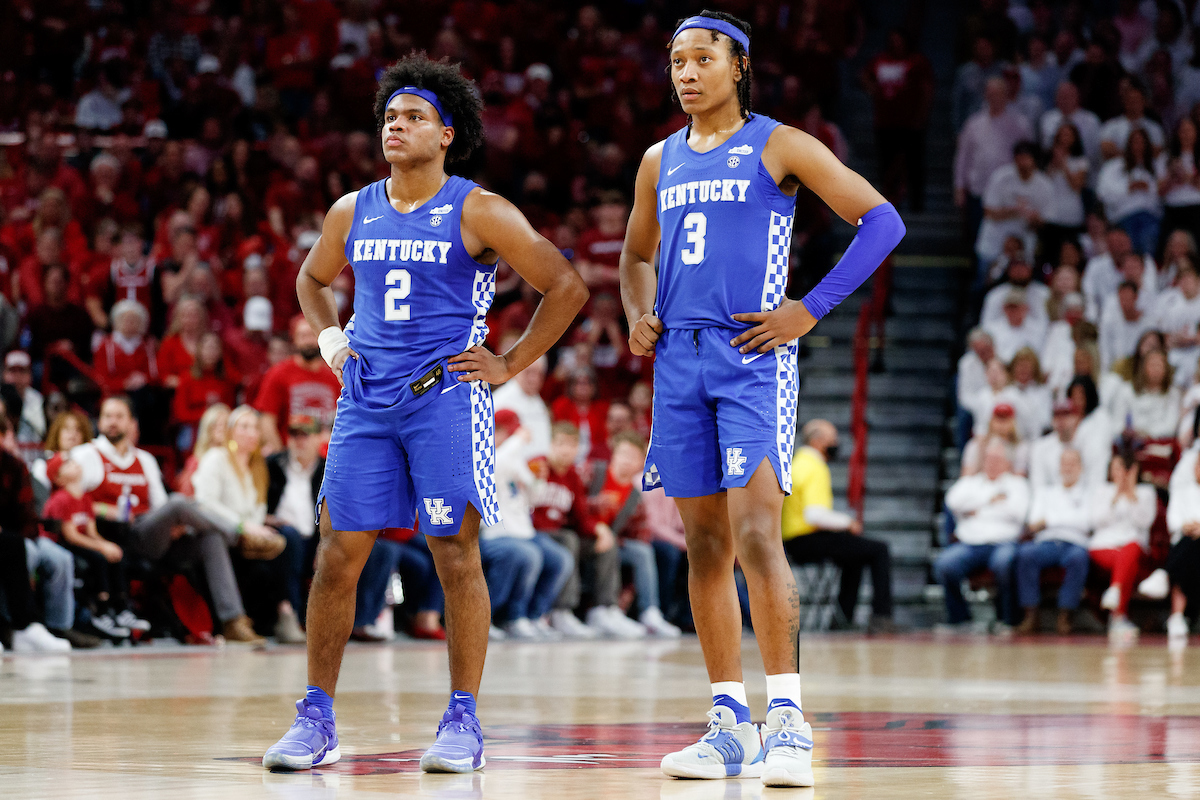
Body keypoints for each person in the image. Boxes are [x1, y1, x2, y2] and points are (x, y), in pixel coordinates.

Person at [263, 55, 587, 773]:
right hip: (365, 399)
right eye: (389, 117)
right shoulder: (352, 209)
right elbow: (312, 279)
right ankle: (315, 718)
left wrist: (510, 363)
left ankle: (463, 721)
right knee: (336, 554)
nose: (396, 127)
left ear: (447, 134)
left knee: (454, 554)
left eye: (413, 117)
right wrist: (332, 341)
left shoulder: (480, 209)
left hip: (444, 398)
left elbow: (565, 284)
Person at [619, 12, 903, 787]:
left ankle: (788, 723)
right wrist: (637, 311)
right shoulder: (657, 160)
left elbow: (882, 221)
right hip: (677, 363)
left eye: (702, 58)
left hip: (751, 359)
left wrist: (810, 308)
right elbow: (635, 255)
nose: (686, 72)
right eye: (677, 60)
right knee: (704, 545)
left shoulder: (780, 144)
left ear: (739, 65)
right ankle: (726, 726)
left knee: (755, 535)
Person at [72, 396, 267, 644]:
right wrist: (102, 509)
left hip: (150, 534)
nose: (113, 422)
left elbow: (161, 507)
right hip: (116, 535)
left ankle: (232, 621)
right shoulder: (86, 455)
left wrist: (175, 524)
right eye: (107, 416)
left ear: (132, 423)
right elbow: (67, 499)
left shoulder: (144, 459)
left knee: (210, 538)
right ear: (99, 422)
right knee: (178, 502)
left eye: (119, 416)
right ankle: (238, 531)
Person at [191, 405, 306, 644]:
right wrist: (243, 525)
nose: (251, 433)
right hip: (222, 534)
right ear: (231, 431)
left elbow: (258, 509)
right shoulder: (216, 458)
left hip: (248, 538)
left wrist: (259, 527)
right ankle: (266, 617)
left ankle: (288, 613)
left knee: (290, 538)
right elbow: (205, 503)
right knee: (266, 565)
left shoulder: (258, 467)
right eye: (244, 426)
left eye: (255, 427)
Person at [781, 420, 895, 633]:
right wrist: (848, 523)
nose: (836, 444)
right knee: (879, 550)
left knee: (855, 554)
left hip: (791, 542)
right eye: (832, 439)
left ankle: (843, 618)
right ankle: (882, 617)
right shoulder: (814, 467)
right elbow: (814, 515)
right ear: (816, 441)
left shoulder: (797, 464)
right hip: (807, 538)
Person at [478, 409, 574, 639]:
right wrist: (518, 441)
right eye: (507, 432)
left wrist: (538, 481)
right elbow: (496, 466)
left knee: (561, 559)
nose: (511, 438)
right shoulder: (484, 455)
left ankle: (533, 616)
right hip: (493, 534)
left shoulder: (514, 459)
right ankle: (494, 617)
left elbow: (531, 499)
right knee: (527, 555)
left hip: (522, 531)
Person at [530, 422, 623, 639]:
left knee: (606, 544)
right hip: (535, 533)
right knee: (569, 539)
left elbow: (581, 517)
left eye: (571, 445)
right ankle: (561, 610)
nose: (566, 450)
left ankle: (603, 609)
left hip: (560, 536)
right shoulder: (536, 466)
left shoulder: (573, 475)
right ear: (550, 444)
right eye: (561, 444)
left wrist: (600, 529)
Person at [42, 455, 150, 640]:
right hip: (63, 544)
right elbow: (71, 536)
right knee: (99, 559)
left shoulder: (85, 497)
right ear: (58, 478)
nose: (74, 463)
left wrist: (106, 545)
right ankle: (101, 611)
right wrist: (101, 549)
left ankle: (121, 608)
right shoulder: (61, 499)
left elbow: (91, 532)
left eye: (71, 460)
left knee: (117, 553)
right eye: (66, 464)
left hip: (81, 541)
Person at [589, 431, 680, 638]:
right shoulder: (593, 473)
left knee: (642, 550)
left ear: (641, 463)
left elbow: (640, 534)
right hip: (585, 536)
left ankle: (649, 612)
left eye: (633, 457)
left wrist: (628, 593)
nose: (626, 460)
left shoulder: (635, 497)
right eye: (623, 454)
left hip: (613, 543)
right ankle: (602, 610)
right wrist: (596, 523)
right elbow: (575, 506)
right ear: (613, 454)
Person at [938, 437, 1029, 631]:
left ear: (1007, 462)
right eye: (989, 459)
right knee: (945, 564)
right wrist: (991, 500)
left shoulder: (1017, 484)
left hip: (1004, 542)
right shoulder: (970, 482)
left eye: (997, 459)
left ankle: (1007, 620)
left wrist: (975, 509)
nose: (992, 463)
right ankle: (959, 619)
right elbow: (952, 502)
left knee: (1004, 563)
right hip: (970, 544)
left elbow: (1019, 513)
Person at [1015, 447, 1093, 635]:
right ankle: (1031, 615)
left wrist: (1049, 520)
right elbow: (1033, 522)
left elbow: (1087, 523)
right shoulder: (1045, 492)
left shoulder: (1089, 494)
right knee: (1025, 554)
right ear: (1058, 467)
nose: (1068, 468)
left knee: (1078, 558)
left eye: (1072, 463)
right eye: (1064, 463)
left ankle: (1065, 615)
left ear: (1081, 467)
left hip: (1075, 543)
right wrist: (1069, 519)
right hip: (1046, 543)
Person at [1089, 450, 1157, 642]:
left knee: (1130, 549)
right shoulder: (1102, 491)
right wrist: (1116, 496)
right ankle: (1119, 615)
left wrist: (1131, 493)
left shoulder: (1145, 492)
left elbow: (1144, 522)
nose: (1118, 473)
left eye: (1122, 469)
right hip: (1104, 546)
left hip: (1132, 548)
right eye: (1115, 469)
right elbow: (1096, 521)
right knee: (1126, 559)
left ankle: (1115, 594)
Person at [253, 314, 342, 453]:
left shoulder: (335, 374)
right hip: (291, 454)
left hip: (327, 455)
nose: (308, 341)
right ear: (293, 339)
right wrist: (281, 457)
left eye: (312, 335)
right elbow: (267, 420)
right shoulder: (278, 373)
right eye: (302, 336)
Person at [975, 141, 1053, 266]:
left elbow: (1046, 221)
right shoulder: (1000, 177)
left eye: (1026, 159)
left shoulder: (1044, 185)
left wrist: (1033, 218)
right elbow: (988, 212)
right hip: (995, 239)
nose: (1022, 163)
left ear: (1034, 160)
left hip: (1023, 242)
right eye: (1019, 159)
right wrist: (1015, 211)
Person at [1165, 451, 1200, 643]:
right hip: (1185, 542)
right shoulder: (1182, 492)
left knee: (1188, 549)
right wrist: (1189, 527)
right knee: (1189, 546)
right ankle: (1178, 616)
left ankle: (1164, 574)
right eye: (1198, 464)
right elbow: (1173, 522)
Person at [490, 355, 551, 461]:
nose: (533, 379)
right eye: (528, 372)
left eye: (539, 374)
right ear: (516, 372)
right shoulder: (500, 400)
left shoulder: (538, 402)